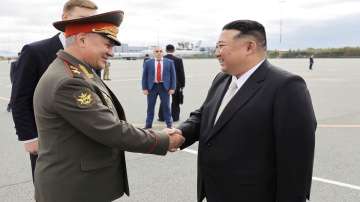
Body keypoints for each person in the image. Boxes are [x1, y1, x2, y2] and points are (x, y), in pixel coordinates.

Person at [33, 11, 184, 202]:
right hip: (73, 190)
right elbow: (110, 129)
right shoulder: (69, 81)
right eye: (107, 44)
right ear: (82, 40)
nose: (111, 52)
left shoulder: (79, 71)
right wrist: (163, 140)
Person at [172, 20, 316, 202]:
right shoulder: (222, 78)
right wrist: (181, 133)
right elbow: (204, 115)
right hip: (215, 191)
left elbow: (296, 161)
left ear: (249, 47)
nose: (217, 53)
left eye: (221, 46)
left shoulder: (286, 87)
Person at [10, 0, 98, 181]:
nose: (87, 24)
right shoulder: (35, 51)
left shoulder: (90, 52)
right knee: (49, 187)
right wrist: (29, 138)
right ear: (65, 18)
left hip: (83, 134)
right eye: (82, 18)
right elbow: (20, 98)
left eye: (91, 20)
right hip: (47, 137)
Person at [142, 47, 176, 129]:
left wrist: (172, 88)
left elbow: (173, 76)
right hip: (152, 87)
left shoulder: (169, 62)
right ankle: (148, 125)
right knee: (150, 107)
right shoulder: (148, 63)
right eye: (157, 51)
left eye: (161, 51)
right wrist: (144, 88)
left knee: (166, 107)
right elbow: (144, 76)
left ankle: (169, 125)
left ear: (163, 52)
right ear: (154, 53)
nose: (159, 53)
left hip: (164, 87)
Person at [158, 44, 185, 122]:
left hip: (163, 83)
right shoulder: (178, 60)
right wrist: (182, 85)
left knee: (163, 100)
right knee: (175, 101)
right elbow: (181, 73)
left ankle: (162, 117)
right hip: (175, 83)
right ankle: (175, 117)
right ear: (173, 50)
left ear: (166, 50)